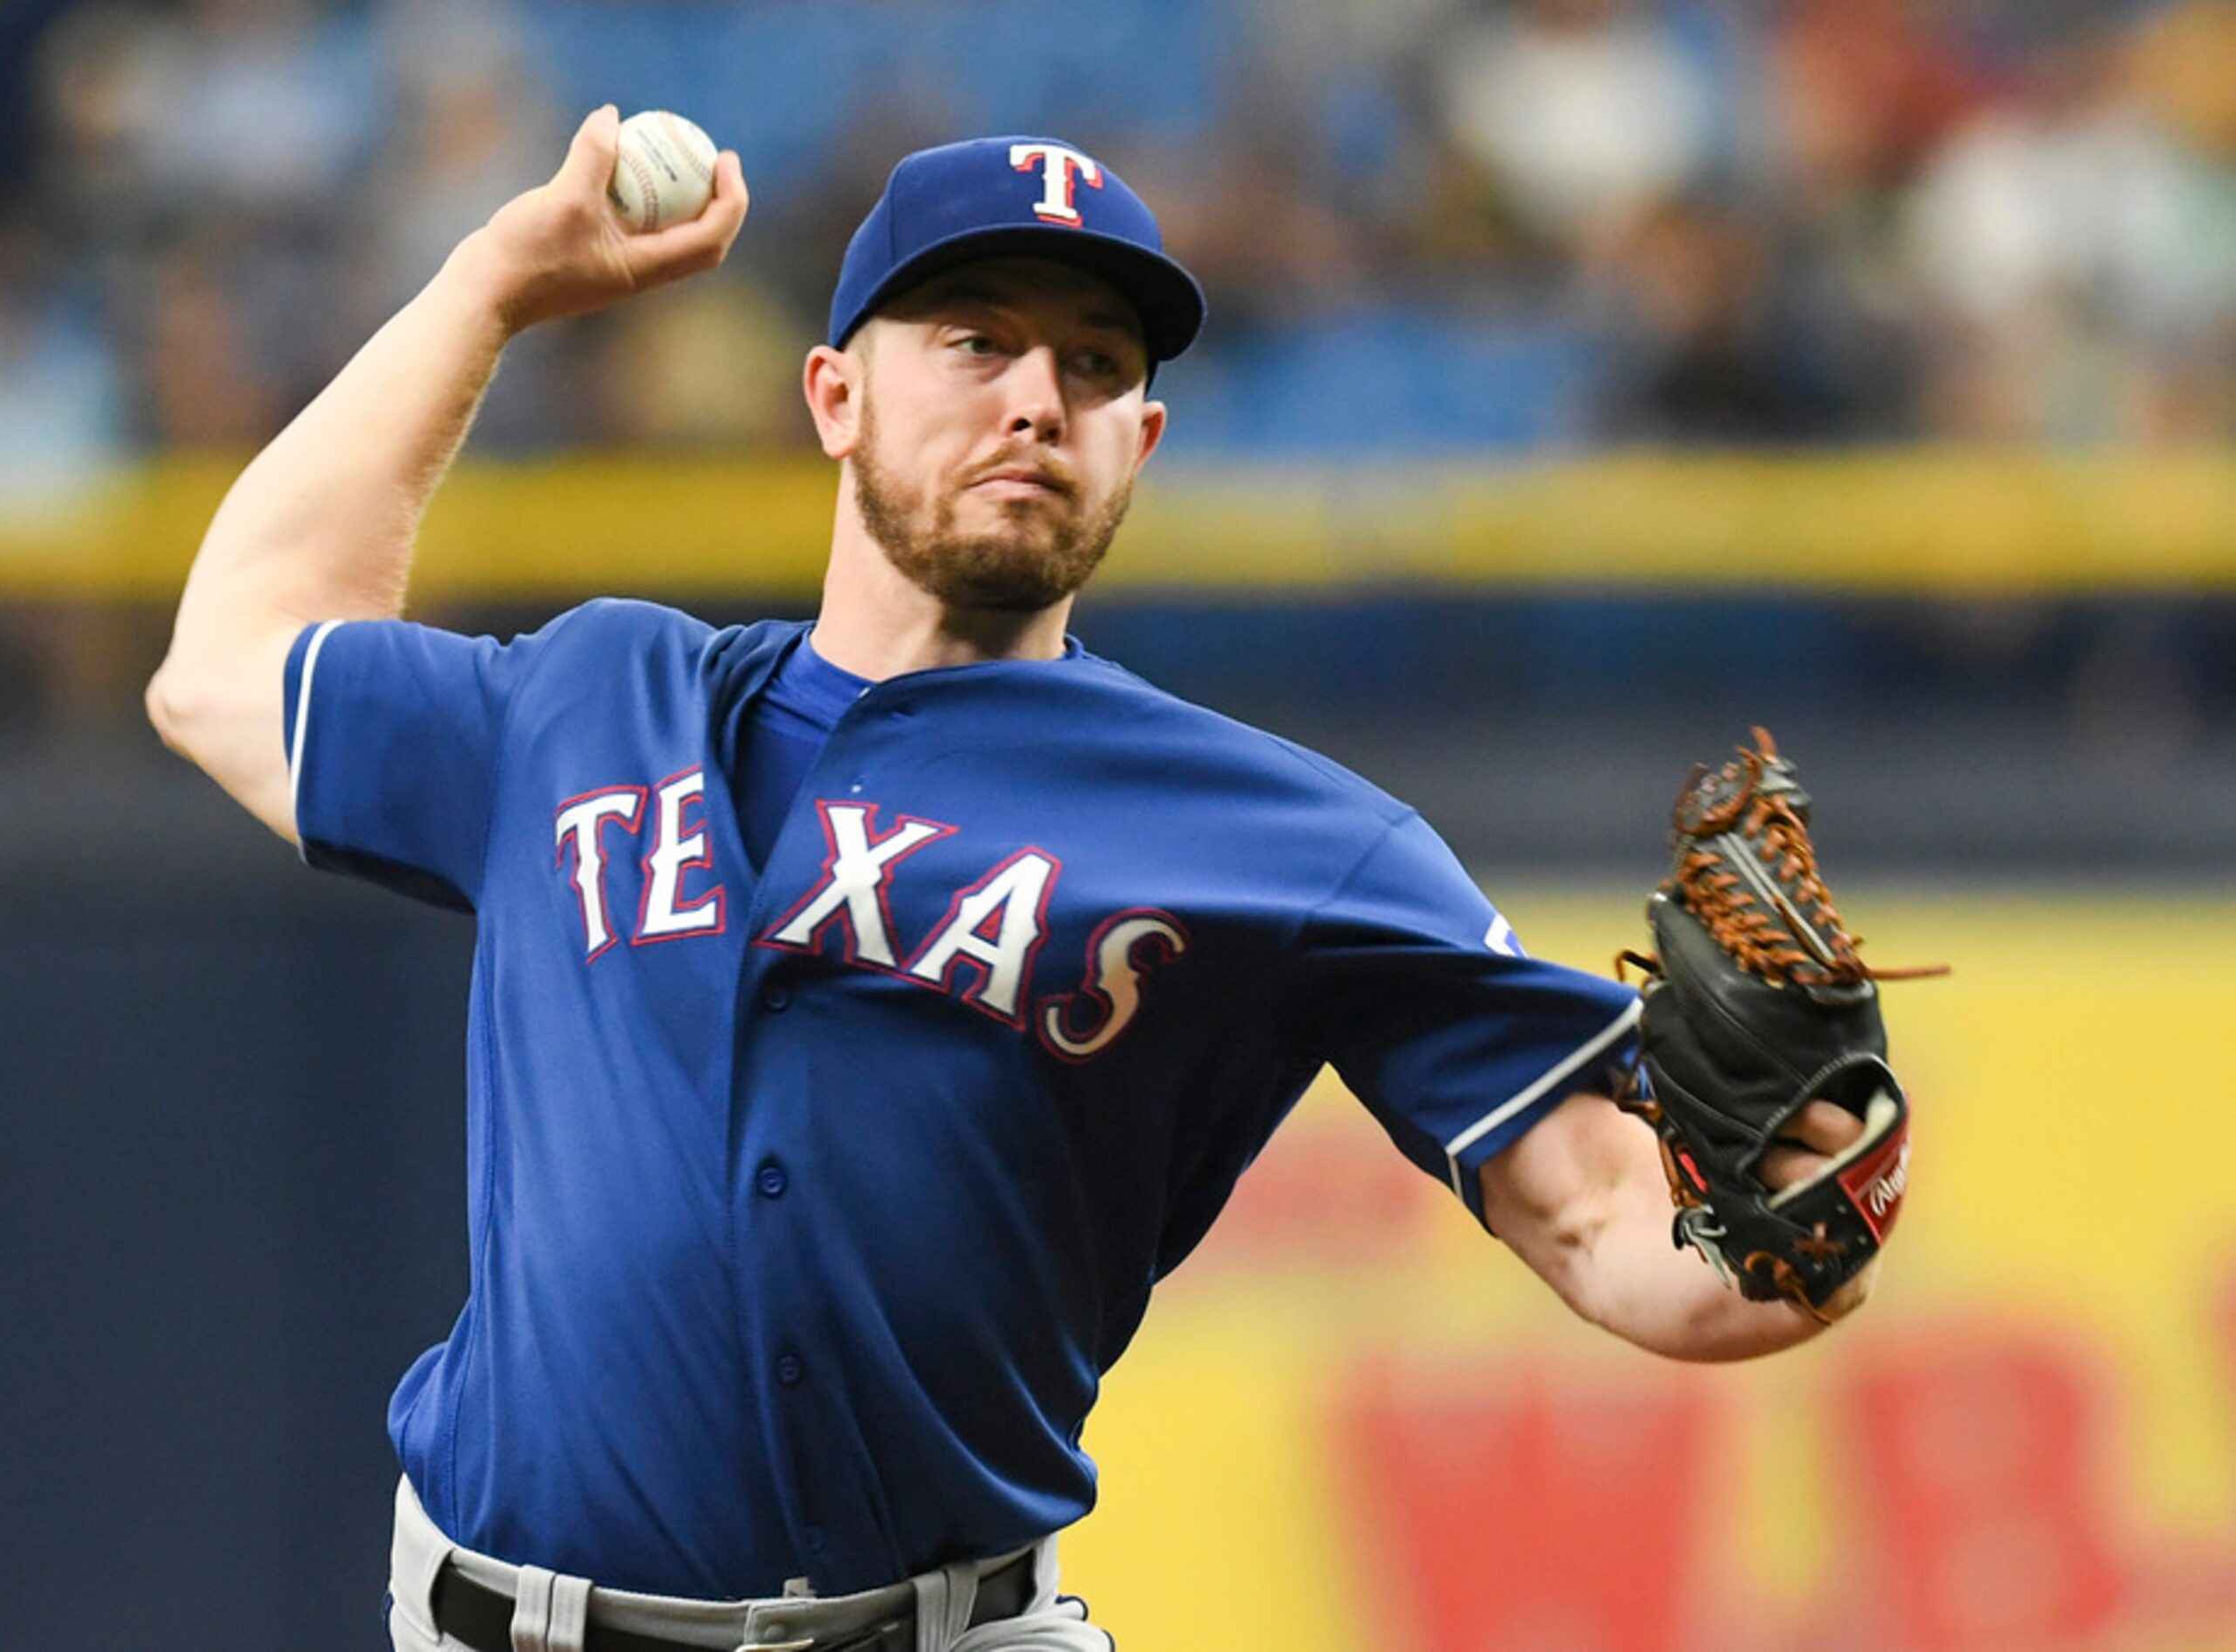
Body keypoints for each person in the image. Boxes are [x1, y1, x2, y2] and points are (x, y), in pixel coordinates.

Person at [148, 108, 1874, 1652]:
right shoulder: (591, 702)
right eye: (972, 339)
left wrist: (1817, 1217)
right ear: (834, 396)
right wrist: (487, 290)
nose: (1035, 396)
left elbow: (1606, 1228)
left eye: (1094, 363)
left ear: (1141, 438)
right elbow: (226, 667)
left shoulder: (1280, 837)